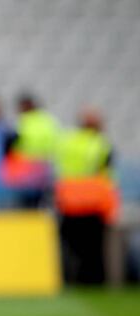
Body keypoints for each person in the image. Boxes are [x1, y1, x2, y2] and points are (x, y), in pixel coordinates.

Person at [52, 106, 119, 285]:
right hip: (93, 205)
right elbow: (106, 173)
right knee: (93, 251)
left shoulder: (67, 141)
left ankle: (70, 280)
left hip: (68, 203)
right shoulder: (100, 143)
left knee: (71, 248)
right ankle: (94, 281)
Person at [0, 93, 59, 208]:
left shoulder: (23, 122)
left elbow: (10, 144)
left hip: (26, 171)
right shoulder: (48, 121)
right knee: (43, 203)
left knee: (25, 206)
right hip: (45, 168)